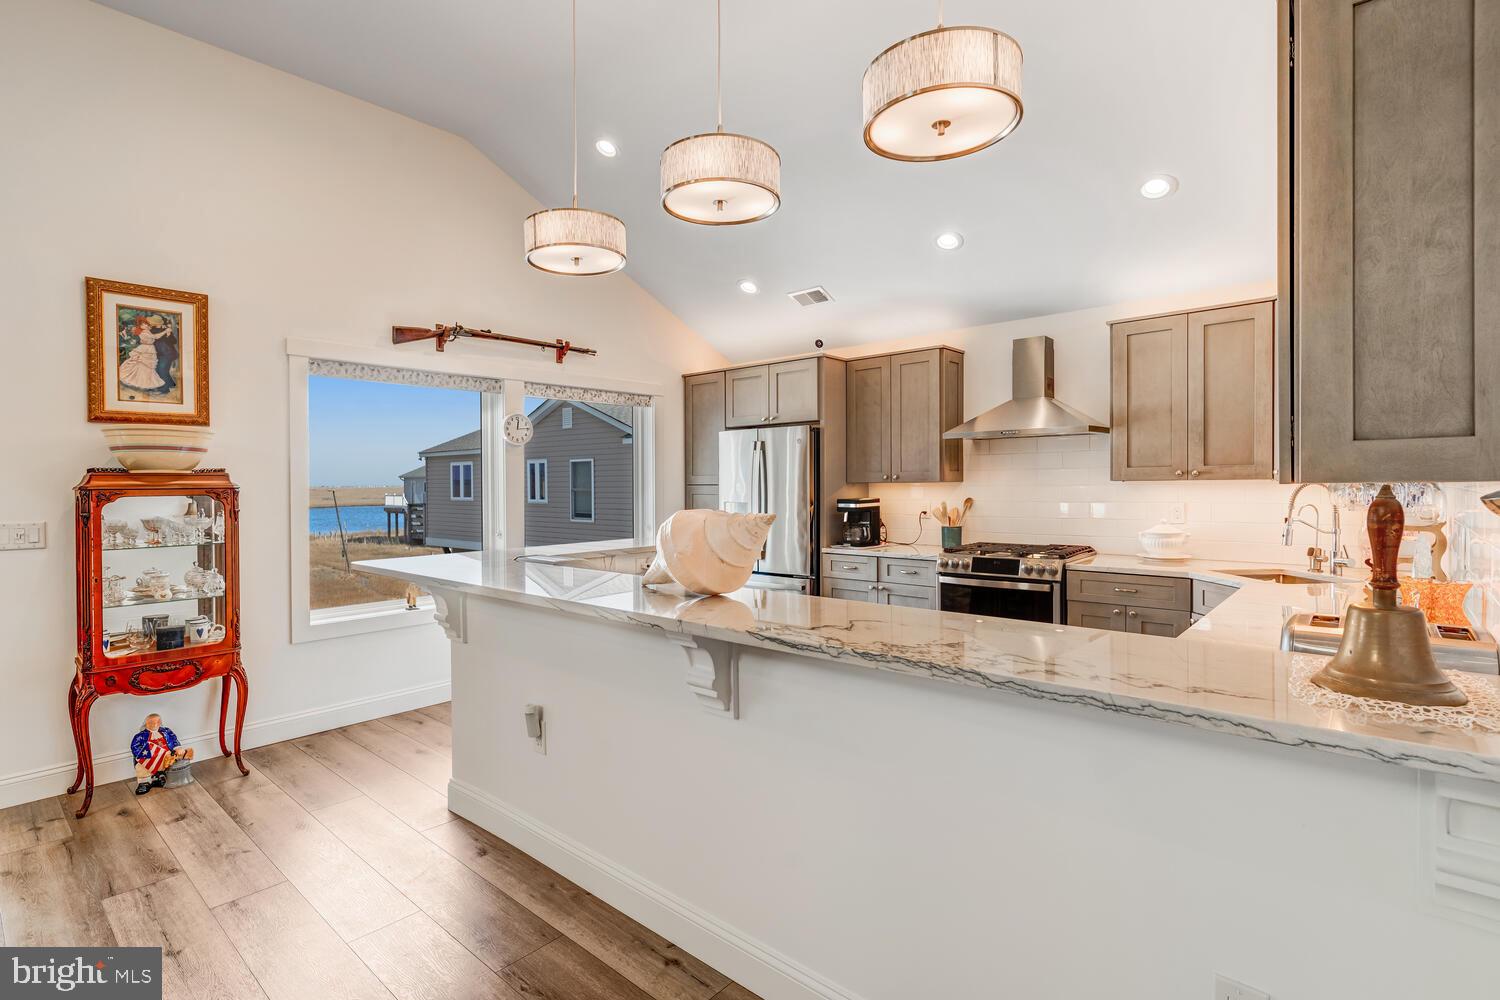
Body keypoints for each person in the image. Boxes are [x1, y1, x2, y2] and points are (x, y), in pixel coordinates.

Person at [131, 713, 192, 795]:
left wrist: (177, 747)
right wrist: (145, 755)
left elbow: (174, 739)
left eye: (157, 722)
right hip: (150, 758)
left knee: (177, 759)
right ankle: (144, 783)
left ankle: (164, 777)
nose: (155, 724)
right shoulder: (140, 736)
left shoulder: (166, 731)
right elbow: (135, 747)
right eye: (151, 722)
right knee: (142, 767)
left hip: (167, 756)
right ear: (146, 723)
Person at [117, 315, 168, 394]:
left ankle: (148, 385)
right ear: (140, 326)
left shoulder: (147, 331)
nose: (145, 326)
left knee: (148, 368)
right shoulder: (144, 332)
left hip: (150, 349)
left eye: (146, 324)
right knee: (143, 367)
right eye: (143, 325)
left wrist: (163, 328)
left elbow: (153, 334)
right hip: (145, 349)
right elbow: (156, 337)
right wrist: (165, 331)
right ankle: (143, 384)